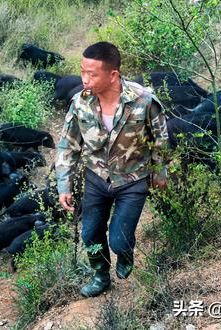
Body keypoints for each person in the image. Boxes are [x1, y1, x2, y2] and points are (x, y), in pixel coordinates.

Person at [55, 41, 169, 297]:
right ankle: (100, 276)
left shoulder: (143, 101)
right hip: (96, 178)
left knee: (118, 239)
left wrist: (160, 171)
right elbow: (67, 145)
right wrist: (64, 183)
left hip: (132, 180)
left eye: (92, 74)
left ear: (113, 74)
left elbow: (160, 138)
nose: (84, 79)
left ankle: (125, 251)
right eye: (83, 71)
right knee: (91, 235)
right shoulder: (80, 103)